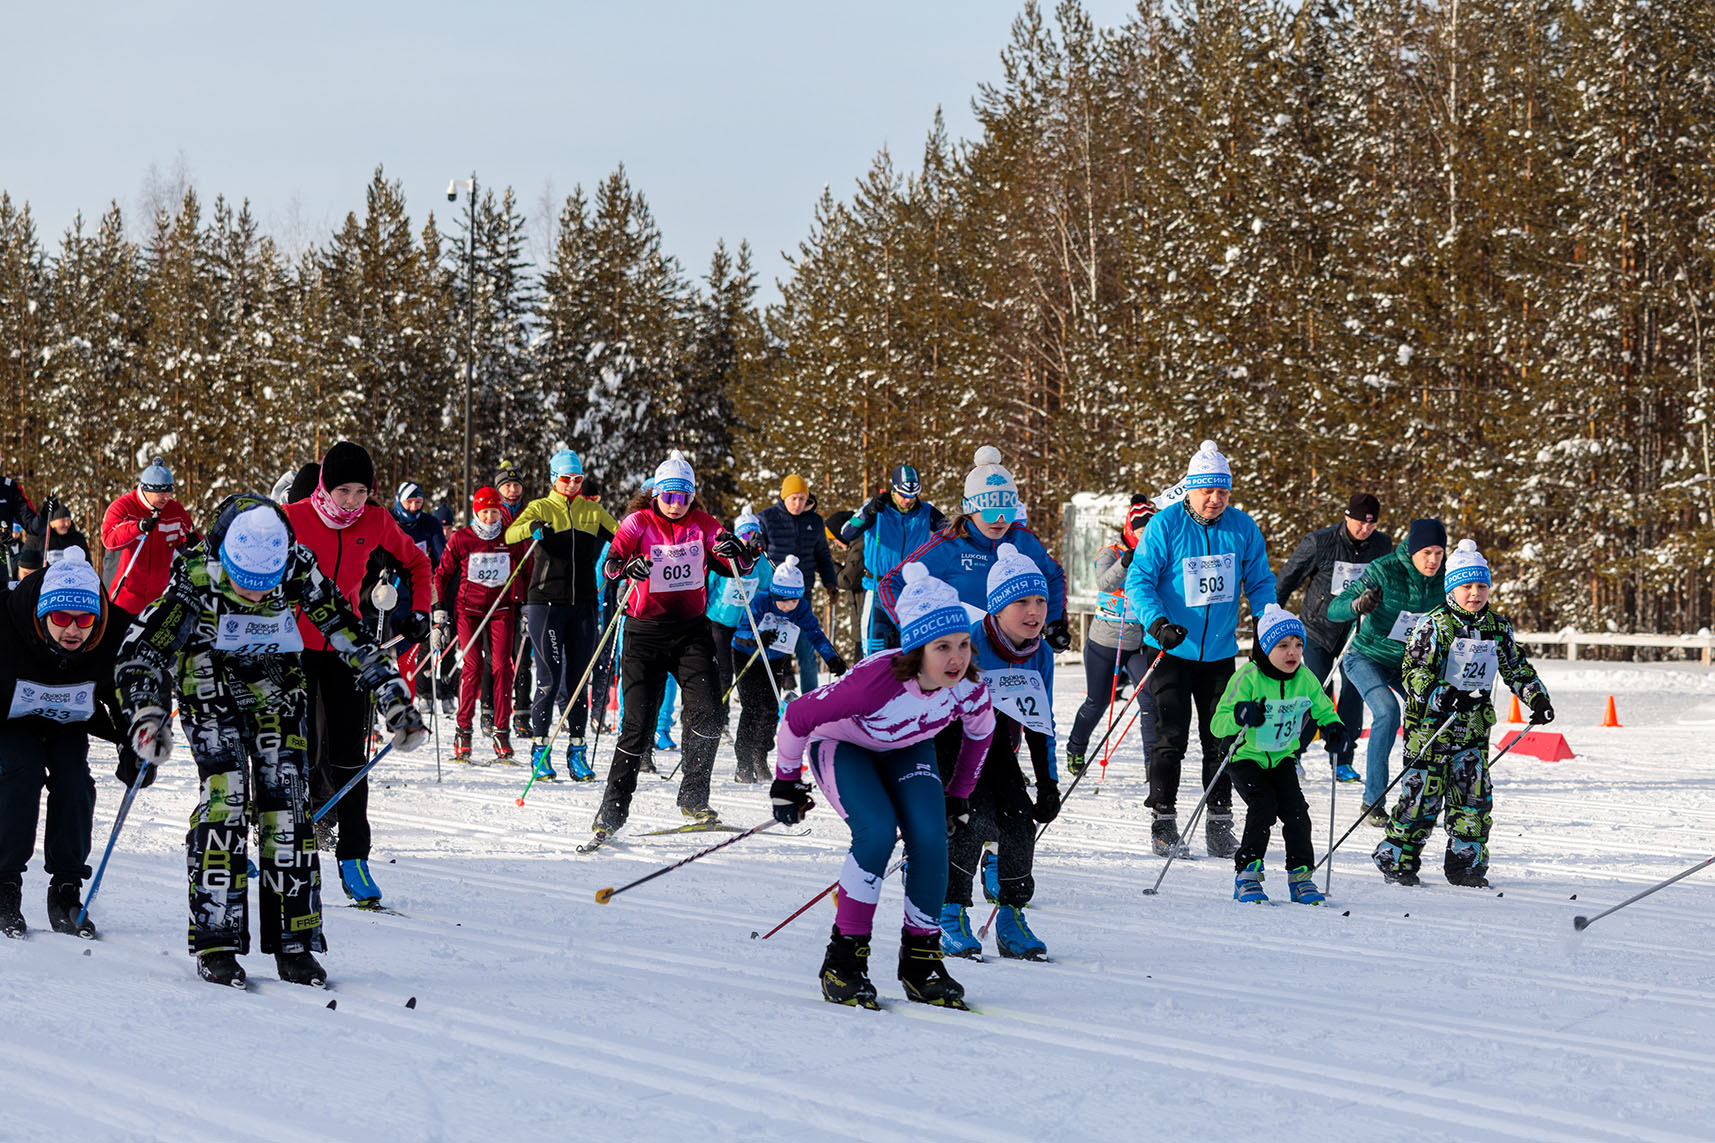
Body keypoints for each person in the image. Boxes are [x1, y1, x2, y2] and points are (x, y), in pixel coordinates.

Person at [116, 494, 427, 988]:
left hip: (277, 682)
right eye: (246, 585)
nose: (258, 596)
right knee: (227, 797)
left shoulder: (297, 565)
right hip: (208, 678)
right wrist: (147, 714)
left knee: (288, 806)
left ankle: (296, 943)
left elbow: (342, 627)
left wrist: (391, 694)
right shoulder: (197, 575)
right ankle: (217, 941)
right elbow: (140, 651)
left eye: (268, 586)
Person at [769, 561, 995, 1010]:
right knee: (876, 832)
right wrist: (786, 781)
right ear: (916, 649)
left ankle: (922, 962)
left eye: (964, 645)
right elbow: (797, 717)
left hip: (906, 749)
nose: (957, 658)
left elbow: (980, 734)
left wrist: (958, 795)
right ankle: (844, 962)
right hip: (842, 745)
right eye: (943, 647)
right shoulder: (876, 683)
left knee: (931, 839)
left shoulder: (967, 687)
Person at [282, 442, 432, 906]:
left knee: (350, 757)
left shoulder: (376, 520)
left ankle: (353, 858)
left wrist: (421, 612)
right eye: (343, 490)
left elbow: (418, 562)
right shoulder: (293, 518)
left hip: (344, 646)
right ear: (325, 484)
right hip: (292, 648)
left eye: (361, 491)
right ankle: (288, 845)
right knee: (297, 755)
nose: (351, 501)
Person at [587, 451, 760, 846]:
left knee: (709, 713)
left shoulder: (703, 524)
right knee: (637, 725)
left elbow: (734, 562)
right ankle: (611, 813)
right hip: (644, 633)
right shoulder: (638, 522)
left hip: (690, 633)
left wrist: (743, 553)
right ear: (656, 493)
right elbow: (611, 565)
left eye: (684, 497)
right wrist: (626, 566)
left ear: (692, 497)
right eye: (669, 495)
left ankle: (695, 799)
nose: (676, 504)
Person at [1123, 440, 1276, 859]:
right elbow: (1139, 581)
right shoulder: (1166, 525)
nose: (1215, 500)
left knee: (1222, 739)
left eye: (1223, 492)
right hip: (1171, 648)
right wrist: (1156, 622)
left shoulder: (1242, 527)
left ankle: (1218, 824)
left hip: (1220, 653)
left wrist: (1268, 624)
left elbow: (1260, 581)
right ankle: (1163, 823)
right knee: (1171, 738)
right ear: (1189, 489)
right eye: (1207, 491)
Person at [1374, 540, 1553, 888]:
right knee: (1421, 798)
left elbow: (1516, 668)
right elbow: (1413, 673)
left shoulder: (1497, 628)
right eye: (1466, 586)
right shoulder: (1434, 625)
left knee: (1473, 799)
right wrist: (1444, 695)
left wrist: (1536, 698)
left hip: (1471, 730)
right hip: (1430, 729)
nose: (1475, 593)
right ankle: (1397, 857)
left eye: (1481, 586)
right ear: (1451, 588)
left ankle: (1466, 863)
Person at [0, 549, 132, 939]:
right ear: (43, 614)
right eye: (61, 618)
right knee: (20, 772)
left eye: (84, 619)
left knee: (75, 781)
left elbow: (131, 690)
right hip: (9, 721)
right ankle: (5, 883)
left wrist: (137, 742)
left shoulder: (113, 635)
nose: (72, 630)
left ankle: (66, 889)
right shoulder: (6, 627)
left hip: (67, 722)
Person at [939, 544, 1060, 962]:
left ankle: (1011, 916)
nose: (1034, 612)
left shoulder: (1039, 653)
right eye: (1021, 602)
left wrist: (1048, 782)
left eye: (1041, 601)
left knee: (1019, 823)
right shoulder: (968, 644)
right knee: (972, 821)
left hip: (998, 750)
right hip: (949, 746)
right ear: (996, 607)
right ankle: (948, 912)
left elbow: (1040, 722)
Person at [1212, 604, 1348, 904]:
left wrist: (1334, 728)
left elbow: (1323, 709)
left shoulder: (1305, 678)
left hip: (1282, 757)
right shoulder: (1248, 677)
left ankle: (1300, 877)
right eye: (1283, 645)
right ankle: (1247, 874)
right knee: (1264, 805)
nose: (1293, 652)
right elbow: (1217, 724)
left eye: (1298, 645)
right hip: (1245, 756)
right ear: (1264, 647)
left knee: (1297, 813)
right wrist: (1241, 713)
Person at [503, 449, 619, 783]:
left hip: (583, 604)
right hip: (546, 604)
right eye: (567, 479)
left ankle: (577, 751)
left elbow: (623, 536)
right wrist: (532, 528)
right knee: (550, 679)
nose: (572, 484)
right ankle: (541, 749)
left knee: (578, 681)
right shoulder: (540, 507)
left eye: (578, 479)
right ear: (555, 479)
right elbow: (510, 534)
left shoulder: (592, 510)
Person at [877, 447, 1069, 646]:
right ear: (970, 509)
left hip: (1017, 654)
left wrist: (1055, 622)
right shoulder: (949, 546)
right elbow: (891, 583)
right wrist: (913, 627)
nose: (1000, 520)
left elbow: (1054, 576)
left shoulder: (1021, 539)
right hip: (966, 659)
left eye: (1008, 512)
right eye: (990, 512)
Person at [1326, 518, 1448, 823]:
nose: (1433, 561)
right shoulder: (1385, 569)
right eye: (1426, 553)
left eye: (1438, 553)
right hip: (1367, 656)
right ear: (1413, 550)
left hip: (1411, 664)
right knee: (1387, 711)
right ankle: (1373, 800)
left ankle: (1426, 794)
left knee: (1435, 712)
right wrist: (1359, 604)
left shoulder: (1445, 577)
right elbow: (1335, 608)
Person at [1275, 492, 1393, 783]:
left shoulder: (1381, 545)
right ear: (1347, 516)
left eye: (1371, 524)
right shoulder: (1320, 541)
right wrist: (1271, 617)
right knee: (1315, 691)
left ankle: (1342, 757)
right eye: (1359, 523)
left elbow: (1388, 584)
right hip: (1318, 629)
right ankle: (1293, 753)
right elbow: (1288, 577)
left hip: (1357, 632)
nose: (1365, 529)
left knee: (1353, 693)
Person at [1064, 495, 1160, 777]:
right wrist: (1126, 563)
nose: (1146, 537)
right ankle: (1075, 748)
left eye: (1150, 532)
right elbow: (1105, 583)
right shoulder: (1112, 551)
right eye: (1142, 531)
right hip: (1106, 641)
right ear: (1131, 529)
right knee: (1098, 701)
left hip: (1139, 643)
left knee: (1148, 701)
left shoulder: (1156, 554)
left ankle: (1151, 764)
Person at [731, 555, 846, 783]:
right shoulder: (761, 600)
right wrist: (758, 639)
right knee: (752, 707)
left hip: (775, 658)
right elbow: (741, 633)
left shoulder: (801, 608)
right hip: (748, 657)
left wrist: (832, 658)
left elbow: (815, 634)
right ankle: (743, 763)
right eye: (782, 601)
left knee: (771, 708)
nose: (787, 607)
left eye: (793, 601)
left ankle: (759, 755)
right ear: (774, 594)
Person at [435, 486, 528, 764]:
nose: (490, 518)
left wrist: (524, 605)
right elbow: (441, 574)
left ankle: (501, 731)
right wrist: (439, 609)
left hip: (501, 609)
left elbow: (524, 569)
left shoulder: (509, 537)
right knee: (473, 666)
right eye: (485, 512)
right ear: (476, 511)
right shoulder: (462, 538)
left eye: (495, 512)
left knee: (502, 666)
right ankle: (463, 730)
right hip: (469, 610)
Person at [840, 464, 947, 654]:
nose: (908, 500)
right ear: (893, 489)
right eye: (903, 495)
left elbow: (952, 533)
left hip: (911, 590)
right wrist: (868, 512)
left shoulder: (926, 512)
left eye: (913, 495)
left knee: (911, 651)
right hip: (877, 588)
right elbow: (846, 532)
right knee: (874, 650)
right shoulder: (878, 509)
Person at [759, 474, 841, 694]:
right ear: (784, 496)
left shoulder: (814, 522)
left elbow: (823, 556)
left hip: (801, 596)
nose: (798, 504)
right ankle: (768, 699)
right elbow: (755, 555)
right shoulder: (767, 518)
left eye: (803, 499)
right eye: (794, 498)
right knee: (772, 652)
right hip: (772, 597)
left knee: (806, 651)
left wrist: (830, 583)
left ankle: (810, 700)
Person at [100, 456, 199, 614]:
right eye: (160, 493)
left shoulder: (175, 511)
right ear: (146, 489)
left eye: (168, 492)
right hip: (122, 598)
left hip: (158, 600)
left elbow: (190, 540)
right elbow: (109, 540)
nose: (166, 498)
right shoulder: (123, 507)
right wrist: (138, 527)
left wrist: (193, 542)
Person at [704, 505, 772, 705]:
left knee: (744, 671)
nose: (748, 537)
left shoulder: (761, 563)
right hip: (718, 620)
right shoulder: (727, 558)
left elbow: (766, 588)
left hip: (743, 623)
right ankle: (720, 716)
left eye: (753, 533)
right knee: (723, 670)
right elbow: (710, 583)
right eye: (744, 533)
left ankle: (748, 715)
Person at [22, 496, 90, 568]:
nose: (66, 524)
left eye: (68, 520)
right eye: (62, 520)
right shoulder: (37, 537)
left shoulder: (77, 539)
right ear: (52, 522)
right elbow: (24, 560)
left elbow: (87, 563)